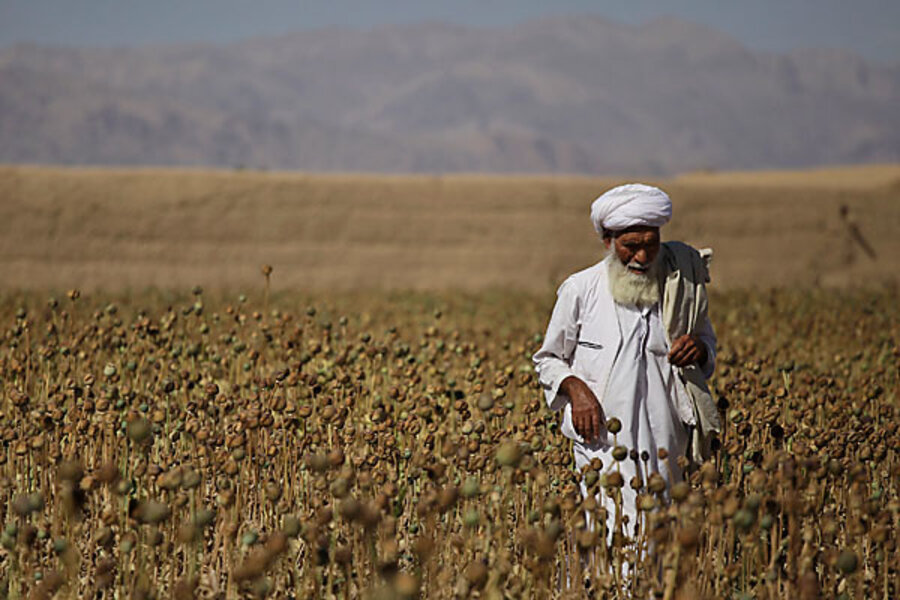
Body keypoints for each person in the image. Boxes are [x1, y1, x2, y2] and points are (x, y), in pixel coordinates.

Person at [532, 183, 720, 539]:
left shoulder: (680, 286)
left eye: (651, 244)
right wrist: (576, 389)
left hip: (666, 439)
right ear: (608, 241)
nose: (642, 257)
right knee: (609, 532)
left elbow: (707, 342)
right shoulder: (581, 289)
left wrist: (699, 348)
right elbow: (549, 359)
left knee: (660, 536)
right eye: (630, 246)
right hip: (601, 441)